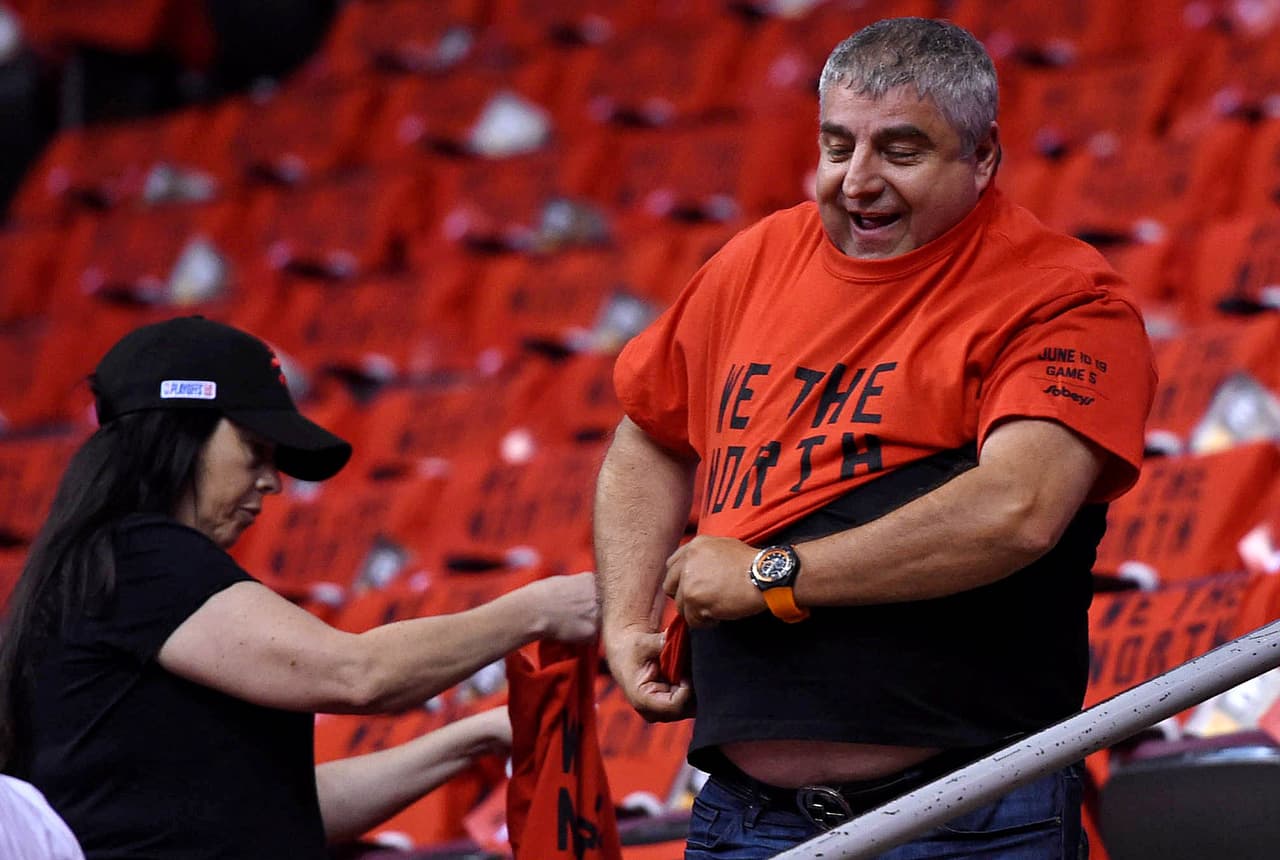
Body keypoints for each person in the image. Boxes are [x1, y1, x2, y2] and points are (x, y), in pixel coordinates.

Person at [594, 16, 1157, 859]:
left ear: (983, 157)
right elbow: (650, 435)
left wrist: (771, 577)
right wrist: (627, 613)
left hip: (968, 816)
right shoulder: (755, 261)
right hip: (741, 814)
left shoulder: (1063, 296)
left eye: (899, 151)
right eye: (835, 147)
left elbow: (1019, 507)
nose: (856, 181)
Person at [0, 315, 600, 858]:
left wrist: (474, 737)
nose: (272, 484)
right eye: (255, 451)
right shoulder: (141, 557)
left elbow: (281, 808)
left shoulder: (107, 565)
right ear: (177, 434)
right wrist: (538, 608)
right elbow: (358, 674)